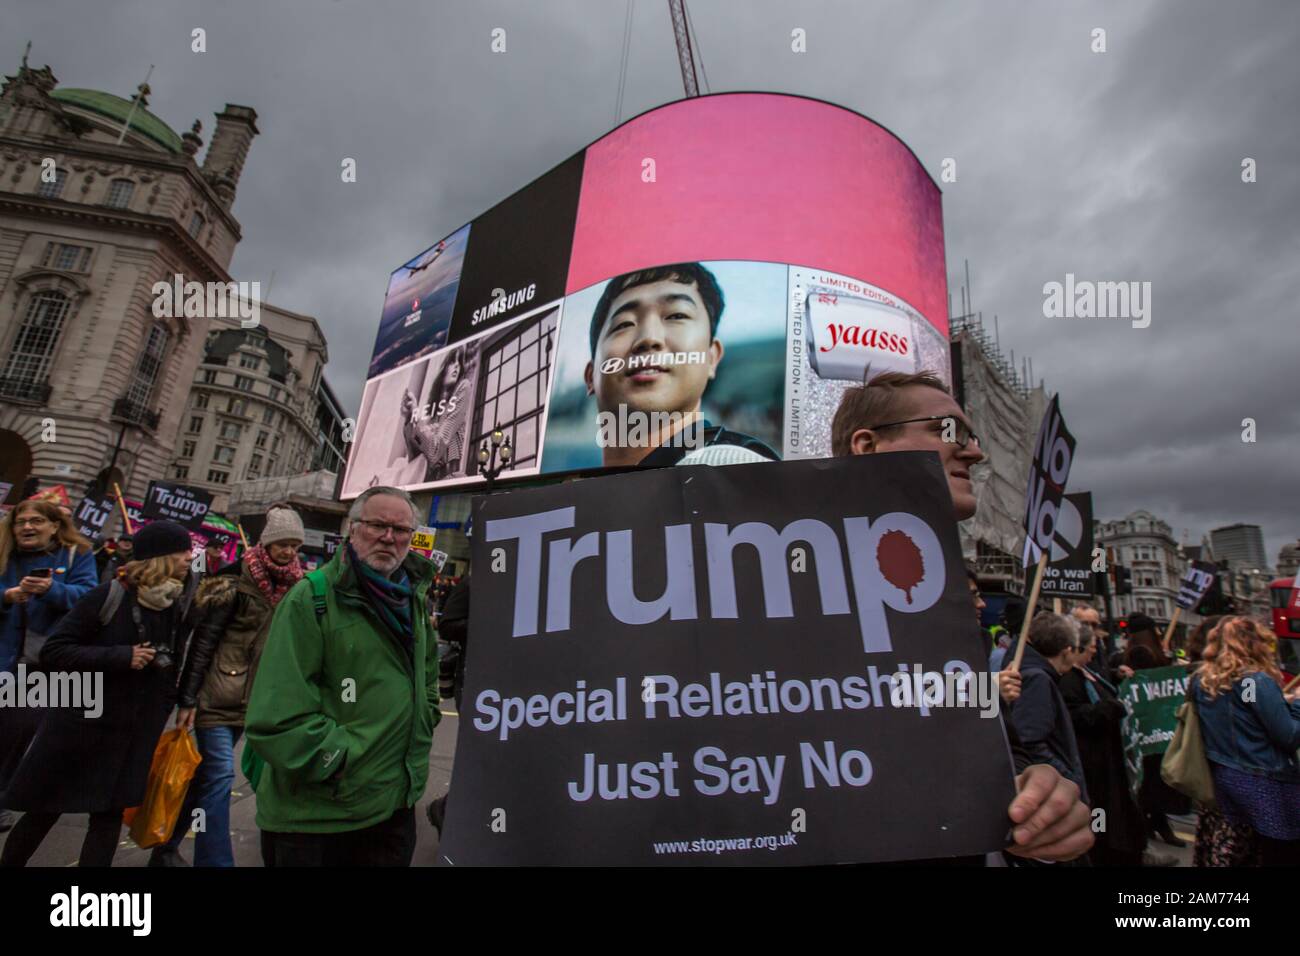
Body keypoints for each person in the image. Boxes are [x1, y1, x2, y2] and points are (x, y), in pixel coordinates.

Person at [831, 370, 1093, 862]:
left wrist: (1034, 794)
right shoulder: (781, 588)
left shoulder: (940, 611)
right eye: (947, 431)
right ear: (867, 446)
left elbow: (977, 758)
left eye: (971, 436)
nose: (975, 452)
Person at [245, 486, 440, 866]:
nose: (389, 537)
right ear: (353, 528)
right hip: (318, 821)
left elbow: (427, 678)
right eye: (378, 525)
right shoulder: (310, 598)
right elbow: (276, 719)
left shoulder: (413, 599)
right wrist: (342, 762)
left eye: (400, 530)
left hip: (393, 808)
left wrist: (426, 716)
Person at [0, 521, 193, 867]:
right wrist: (122, 656)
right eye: (183, 553)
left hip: (131, 735)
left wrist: (168, 704)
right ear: (161, 557)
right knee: (44, 810)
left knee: (106, 819)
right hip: (81, 728)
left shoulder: (174, 606)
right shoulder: (108, 595)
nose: (189, 560)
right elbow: (56, 650)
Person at [150, 508, 305, 867]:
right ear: (267, 543)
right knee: (220, 777)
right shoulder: (233, 580)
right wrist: (187, 697)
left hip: (254, 700)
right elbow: (203, 641)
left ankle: (165, 849)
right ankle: (215, 862)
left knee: (204, 779)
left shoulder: (295, 585)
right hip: (216, 695)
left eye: (294, 545)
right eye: (282, 544)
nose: (289, 552)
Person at [583, 262, 779, 468]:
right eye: (624, 324)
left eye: (677, 316)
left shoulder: (740, 470)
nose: (649, 338)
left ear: (712, 357)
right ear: (590, 376)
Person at [0, 499, 98, 832]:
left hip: (38, 667)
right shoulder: (3, 553)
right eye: (20, 521)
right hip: (3, 654)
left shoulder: (76, 555)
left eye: (37, 520)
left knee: (16, 732)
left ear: (54, 526)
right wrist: (6, 596)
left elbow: (88, 599)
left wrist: (51, 589)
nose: (27, 527)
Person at [1192, 616, 1300, 866]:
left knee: (1246, 854)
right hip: (1266, 784)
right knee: (1279, 854)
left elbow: (1244, 713)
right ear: (1253, 644)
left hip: (1227, 779)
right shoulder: (1255, 681)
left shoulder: (1202, 681)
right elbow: (1289, 736)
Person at [1058, 615, 1149, 865]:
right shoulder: (1066, 680)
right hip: (1093, 766)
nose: (1093, 654)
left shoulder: (1087, 673)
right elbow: (1074, 715)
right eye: (1090, 649)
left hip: (1106, 761)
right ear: (1074, 650)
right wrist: (1107, 709)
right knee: (1100, 820)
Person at [1005, 612, 1089, 804]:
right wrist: (1068, 779)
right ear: (1067, 650)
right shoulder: (1038, 679)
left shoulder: (1030, 672)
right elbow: (1029, 740)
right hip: (1050, 790)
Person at [1123, 612, 1190, 847]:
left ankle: (1154, 823)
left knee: (1151, 780)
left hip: (1151, 730)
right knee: (1152, 780)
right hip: (1152, 729)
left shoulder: (1137, 653)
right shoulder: (1142, 654)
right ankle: (1156, 824)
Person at [401, 345, 476, 481]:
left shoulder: (463, 387)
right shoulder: (432, 412)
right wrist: (409, 417)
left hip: (448, 480)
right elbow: (413, 458)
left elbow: (435, 451)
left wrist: (417, 417)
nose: (457, 366)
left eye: (460, 362)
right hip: (424, 482)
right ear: (443, 369)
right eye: (453, 361)